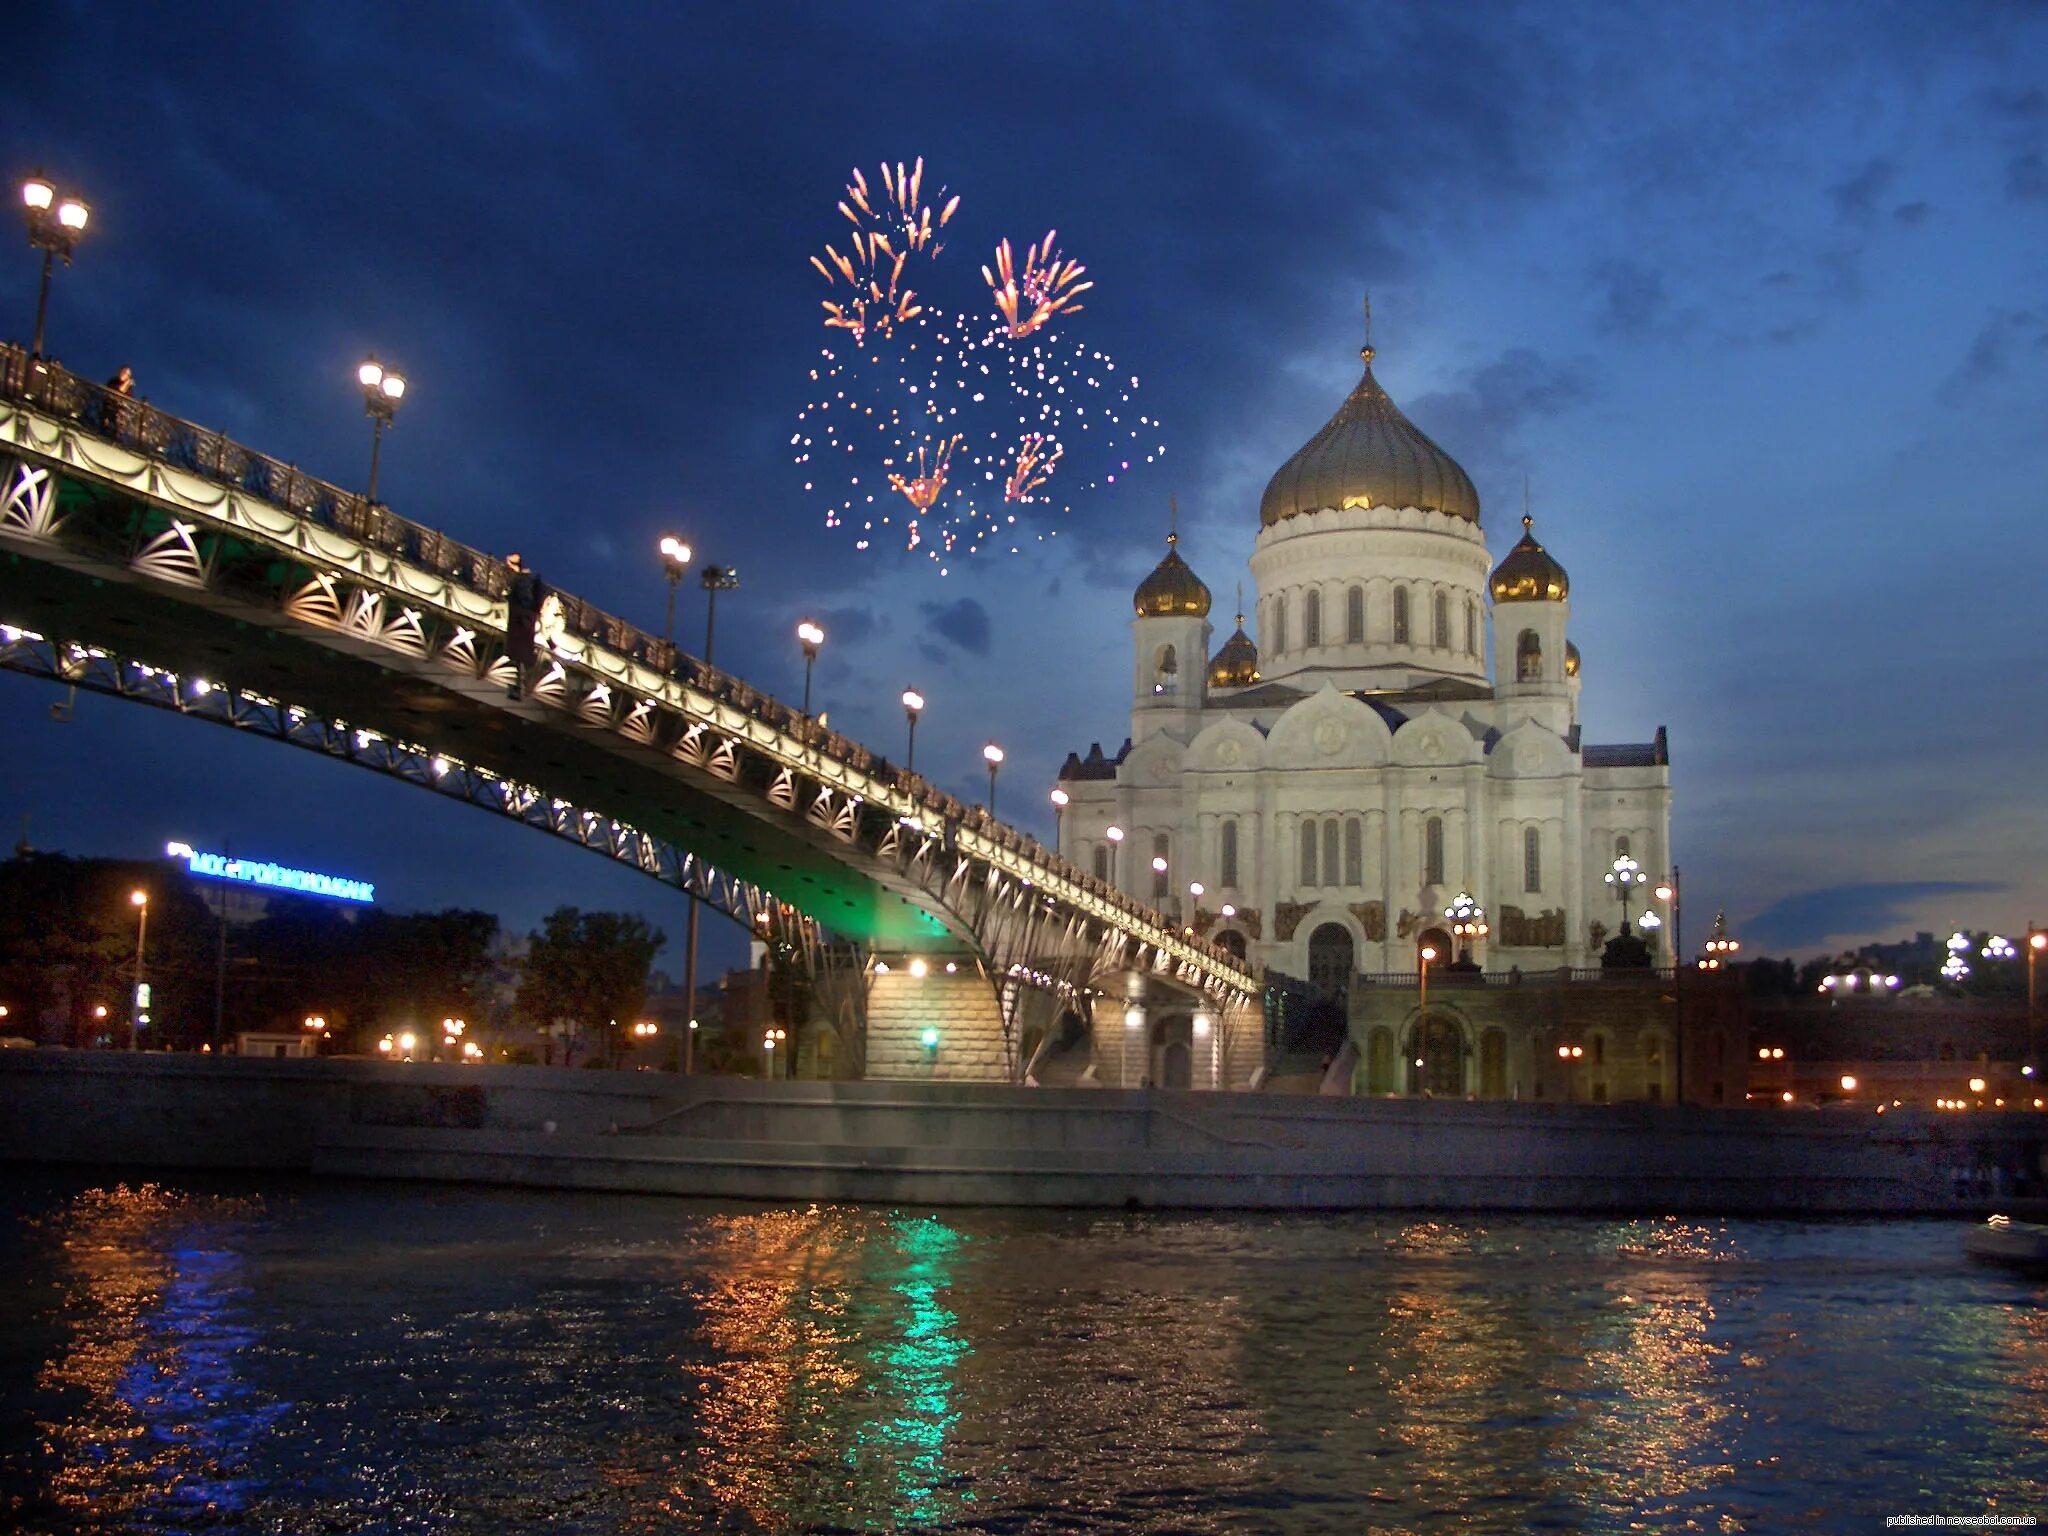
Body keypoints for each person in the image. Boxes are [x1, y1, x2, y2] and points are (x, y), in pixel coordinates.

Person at [505, 552, 542, 697]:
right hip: (523, 620)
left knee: (519, 650)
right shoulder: (523, 579)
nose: (507, 564)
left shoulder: (523, 580)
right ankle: (519, 679)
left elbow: (524, 597)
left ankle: (519, 679)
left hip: (521, 617)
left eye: (510, 563)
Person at [101, 366, 135, 439]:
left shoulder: (129, 388)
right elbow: (119, 391)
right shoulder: (113, 381)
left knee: (120, 425)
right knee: (105, 429)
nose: (124, 374)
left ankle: (117, 435)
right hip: (109, 408)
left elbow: (129, 400)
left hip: (120, 413)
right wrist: (127, 383)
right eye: (123, 372)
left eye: (127, 374)